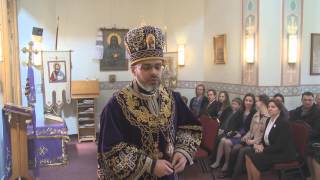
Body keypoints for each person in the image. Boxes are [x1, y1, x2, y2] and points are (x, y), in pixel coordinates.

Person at [97, 26, 202, 180]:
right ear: (133, 70)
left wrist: (182, 151)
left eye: (157, 66)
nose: (154, 72)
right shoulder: (116, 106)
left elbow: (190, 127)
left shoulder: (173, 98)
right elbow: (110, 151)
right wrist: (150, 165)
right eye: (146, 67)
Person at [221, 94, 270, 179]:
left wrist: (253, 141)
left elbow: (264, 135)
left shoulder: (268, 117)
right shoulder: (257, 114)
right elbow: (250, 130)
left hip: (257, 143)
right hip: (249, 140)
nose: (256, 102)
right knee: (235, 149)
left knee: (242, 151)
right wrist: (245, 137)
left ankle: (234, 176)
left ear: (262, 103)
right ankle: (229, 172)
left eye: (257, 100)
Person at [245, 99, 296, 180]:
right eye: (268, 106)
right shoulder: (269, 120)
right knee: (248, 155)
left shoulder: (284, 123)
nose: (270, 108)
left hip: (283, 153)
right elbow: (265, 137)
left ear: (279, 109)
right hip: (272, 150)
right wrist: (260, 145)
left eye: (273, 107)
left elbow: (280, 145)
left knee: (255, 158)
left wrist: (263, 150)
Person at [210, 93, 256, 171]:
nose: (248, 102)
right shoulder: (241, 110)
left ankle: (227, 163)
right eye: (246, 100)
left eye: (250, 101)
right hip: (236, 133)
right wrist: (232, 131)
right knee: (222, 140)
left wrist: (240, 134)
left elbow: (249, 128)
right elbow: (233, 122)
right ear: (244, 101)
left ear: (253, 102)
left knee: (226, 142)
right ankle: (217, 162)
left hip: (245, 135)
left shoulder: (254, 113)